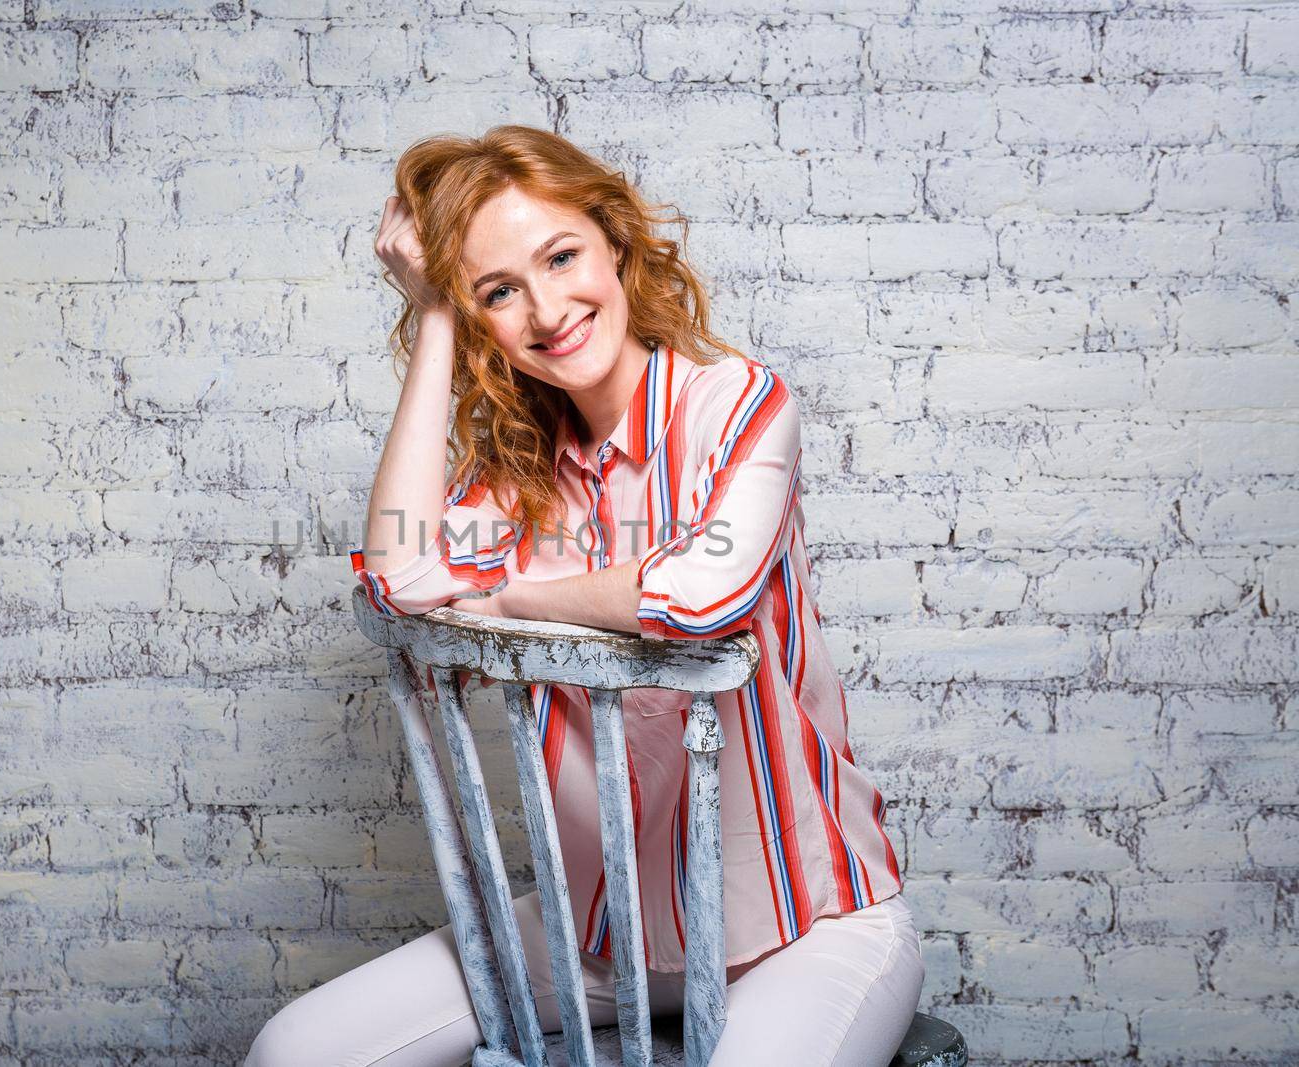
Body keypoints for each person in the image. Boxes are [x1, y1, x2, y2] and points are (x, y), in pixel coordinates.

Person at [247, 125, 922, 1067]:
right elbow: (398, 580)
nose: (547, 308)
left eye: (561, 256)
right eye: (499, 291)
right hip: (608, 941)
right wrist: (434, 314)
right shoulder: (522, 476)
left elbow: (697, 598)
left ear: (614, 241)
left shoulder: (740, 402)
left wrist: (515, 598)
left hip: (805, 924)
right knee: (297, 1050)